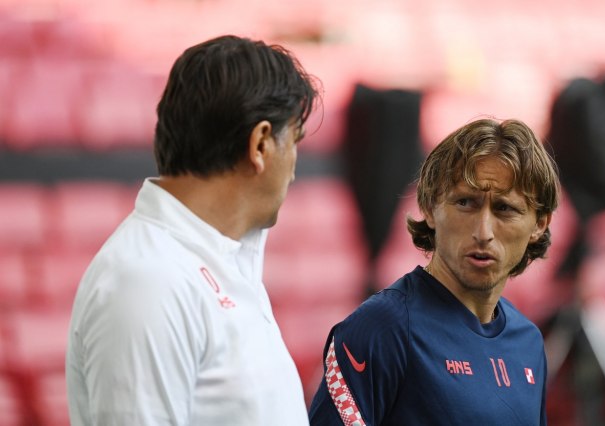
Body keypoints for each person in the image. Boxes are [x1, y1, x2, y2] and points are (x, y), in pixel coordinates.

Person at [66, 35, 319, 425]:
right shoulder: (147, 281)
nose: (294, 168)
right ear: (260, 144)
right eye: (294, 141)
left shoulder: (214, 257)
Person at [309, 118, 559, 425]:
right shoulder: (380, 330)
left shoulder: (529, 343)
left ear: (539, 224)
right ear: (429, 207)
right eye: (465, 203)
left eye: (504, 208)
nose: (483, 232)